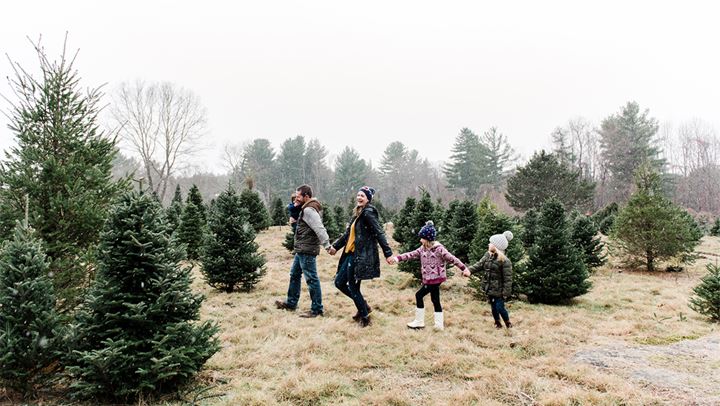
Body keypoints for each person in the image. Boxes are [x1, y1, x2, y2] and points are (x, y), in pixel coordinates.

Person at [328, 186, 393, 327]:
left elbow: (379, 232)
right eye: (358, 195)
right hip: (350, 254)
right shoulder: (358, 214)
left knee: (352, 286)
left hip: (360, 256)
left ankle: (364, 317)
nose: (359, 197)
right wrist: (335, 246)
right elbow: (347, 235)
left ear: (368, 199)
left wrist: (388, 253)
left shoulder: (368, 213)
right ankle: (363, 306)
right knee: (339, 282)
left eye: (362, 196)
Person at [389, 221, 469, 330]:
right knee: (435, 299)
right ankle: (439, 325)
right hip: (428, 279)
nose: (420, 240)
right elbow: (411, 254)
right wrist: (397, 258)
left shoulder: (439, 249)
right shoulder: (423, 248)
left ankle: (419, 322)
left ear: (427, 238)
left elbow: (452, 258)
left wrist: (464, 268)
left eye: (422, 238)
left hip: (436, 278)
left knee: (419, 295)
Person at [275, 185, 332, 318]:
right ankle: (291, 303)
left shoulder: (309, 210)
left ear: (306, 196)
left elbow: (319, 228)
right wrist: (295, 223)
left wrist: (327, 245)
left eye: (299, 196)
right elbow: (304, 228)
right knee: (294, 274)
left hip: (307, 250)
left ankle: (317, 309)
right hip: (301, 248)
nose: (296, 198)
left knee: (311, 279)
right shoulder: (304, 209)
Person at [467, 231, 514, 329]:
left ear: (496, 246)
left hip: (499, 290)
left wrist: (505, 293)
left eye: (491, 243)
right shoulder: (488, 255)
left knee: (500, 307)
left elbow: (508, 279)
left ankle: (508, 323)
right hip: (490, 287)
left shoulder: (505, 261)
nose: (489, 244)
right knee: (493, 307)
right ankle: (497, 323)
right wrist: (469, 270)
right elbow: (479, 265)